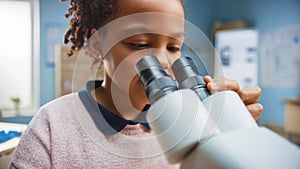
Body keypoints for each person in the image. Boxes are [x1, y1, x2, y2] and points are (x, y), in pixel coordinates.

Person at [10, 0, 263, 168]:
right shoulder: (52, 126)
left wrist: (233, 142)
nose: (164, 61)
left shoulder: (194, 123)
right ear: (99, 46)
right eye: (140, 44)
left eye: (174, 47)